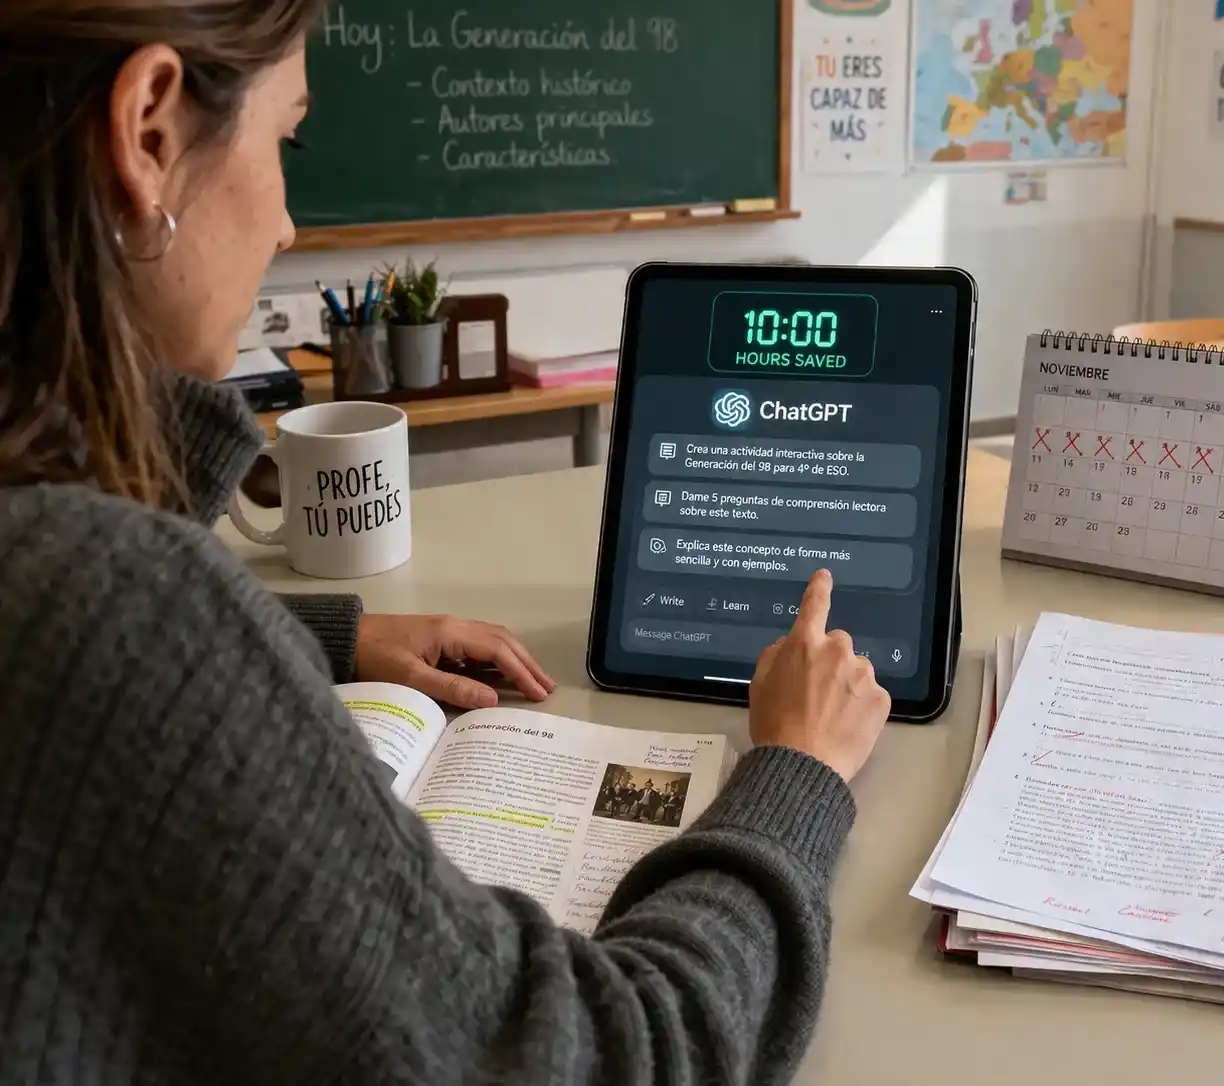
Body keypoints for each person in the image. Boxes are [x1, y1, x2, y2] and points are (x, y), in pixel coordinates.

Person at [0, 3, 893, 1084]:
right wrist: (796, 773)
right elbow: (623, 1057)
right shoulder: (113, 610)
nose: (285, 224)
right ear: (147, 131)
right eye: (287, 140)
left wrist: (327, 631)